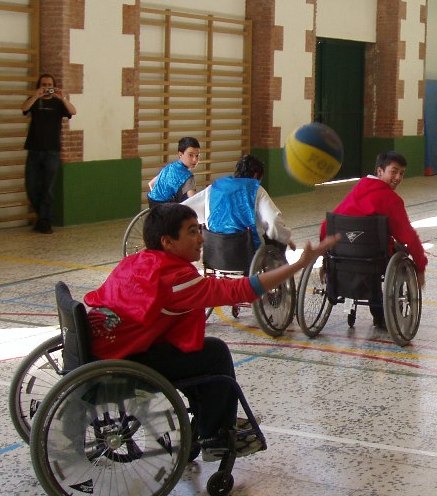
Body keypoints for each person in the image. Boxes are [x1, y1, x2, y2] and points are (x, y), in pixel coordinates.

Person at [83, 203, 337, 459]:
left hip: (106, 350)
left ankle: (210, 420)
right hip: (124, 364)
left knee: (200, 354)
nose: (201, 238)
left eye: (199, 229)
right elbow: (239, 290)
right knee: (214, 354)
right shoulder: (176, 279)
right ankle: (217, 434)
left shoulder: (136, 262)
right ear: (168, 242)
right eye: (192, 232)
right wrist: (300, 264)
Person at [319, 151, 428, 329]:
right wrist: (421, 267)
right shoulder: (391, 200)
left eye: (402, 173)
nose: (398, 177)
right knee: (401, 252)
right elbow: (409, 236)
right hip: (374, 260)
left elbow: (325, 227)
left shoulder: (359, 188)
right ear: (379, 171)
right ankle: (380, 315)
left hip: (342, 257)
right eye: (394, 171)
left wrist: (326, 257)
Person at [182, 154, 295, 250]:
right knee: (276, 239)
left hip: (214, 251)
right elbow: (274, 221)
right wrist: (285, 237)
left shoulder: (214, 187)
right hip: (246, 252)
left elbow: (185, 210)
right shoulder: (256, 189)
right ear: (256, 175)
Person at [21, 73, 77, 234]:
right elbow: (24, 109)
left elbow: (73, 111)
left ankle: (45, 221)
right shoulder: (35, 101)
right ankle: (41, 217)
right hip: (34, 150)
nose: (46, 88)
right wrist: (35, 96)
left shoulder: (58, 104)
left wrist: (63, 98)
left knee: (47, 187)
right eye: (44, 84)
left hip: (52, 151)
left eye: (49, 85)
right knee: (31, 186)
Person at [147, 136, 201, 207]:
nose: (195, 159)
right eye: (190, 155)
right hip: (167, 209)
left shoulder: (169, 167)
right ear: (180, 154)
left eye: (197, 155)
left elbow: (151, 184)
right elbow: (193, 199)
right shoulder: (187, 176)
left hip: (152, 203)